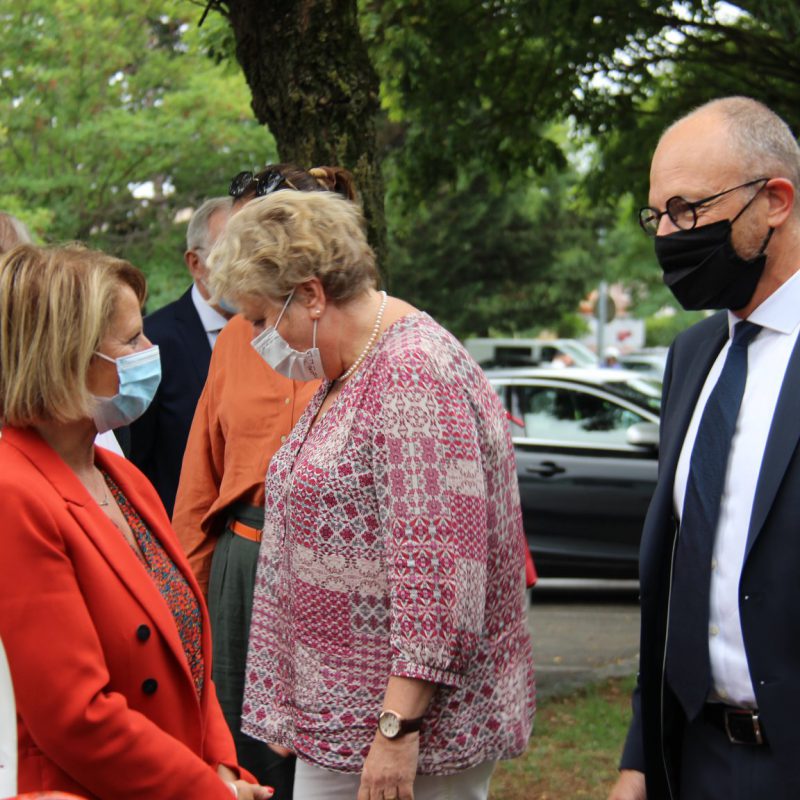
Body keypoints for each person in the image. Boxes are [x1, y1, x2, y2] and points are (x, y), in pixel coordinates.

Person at [205, 189, 536, 800]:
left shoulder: (413, 373)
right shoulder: (353, 367)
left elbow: (440, 578)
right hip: (347, 727)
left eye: (258, 318)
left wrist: (397, 727)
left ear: (310, 294)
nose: (254, 338)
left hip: (406, 738)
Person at [0, 244, 271, 800]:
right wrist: (207, 789)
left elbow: (186, 651)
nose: (151, 352)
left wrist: (219, 765)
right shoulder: (13, 492)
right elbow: (75, 716)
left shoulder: (121, 478)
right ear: (65, 356)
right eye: (131, 341)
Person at [609, 96, 800, 800]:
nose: (666, 235)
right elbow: (680, 573)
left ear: (774, 200)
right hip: (694, 757)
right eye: (656, 215)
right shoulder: (694, 356)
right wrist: (639, 757)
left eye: (686, 211)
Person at [172, 164, 355, 798]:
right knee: (247, 758)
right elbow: (201, 483)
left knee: (328, 756)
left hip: (334, 571)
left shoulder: (376, 344)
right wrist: (184, 606)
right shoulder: (233, 343)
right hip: (243, 566)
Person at [129, 197, 233, 515]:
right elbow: (138, 460)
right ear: (196, 263)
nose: (247, 265)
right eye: (230, 253)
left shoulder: (278, 333)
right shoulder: (152, 341)